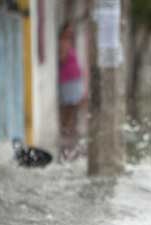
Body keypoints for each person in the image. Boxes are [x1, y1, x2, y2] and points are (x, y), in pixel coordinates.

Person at [58, 21, 84, 161]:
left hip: (74, 81)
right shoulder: (63, 43)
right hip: (67, 81)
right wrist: (65, 50)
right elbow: (61, 59)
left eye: (71, 31)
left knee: (74, 109)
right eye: (68, 31)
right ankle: (66, 135)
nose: (70, 33)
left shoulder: (70, 43)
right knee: (67, 110)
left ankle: (71, 134)